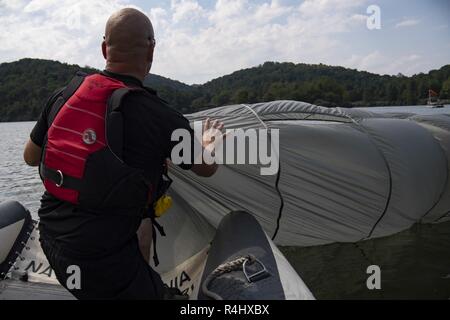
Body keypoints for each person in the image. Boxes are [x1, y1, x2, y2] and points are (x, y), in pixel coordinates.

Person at [23, 8, 223, 300]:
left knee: (142, 219)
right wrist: (208, 142)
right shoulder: (161, 117)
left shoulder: (63, 95)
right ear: (151, 50)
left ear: (104, 48)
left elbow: (30, 157)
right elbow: (207, 168)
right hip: (101, 265)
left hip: (53, 243)